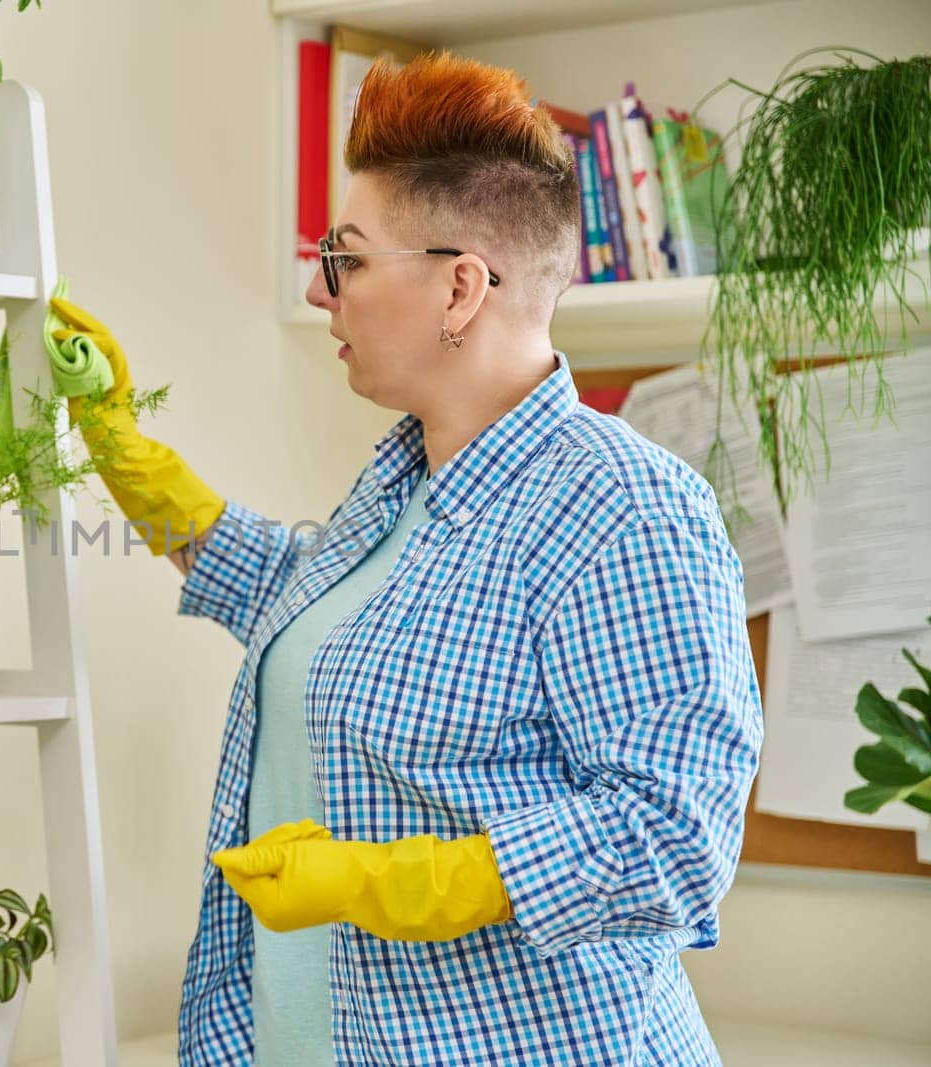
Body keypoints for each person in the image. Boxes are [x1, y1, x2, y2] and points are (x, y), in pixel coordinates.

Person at [49, 49, 763, 1066]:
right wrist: (119, 442)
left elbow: (671, 838)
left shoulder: (625, 510)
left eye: (345, 257)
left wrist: (399, 880)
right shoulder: (401, 484)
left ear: (461, 287)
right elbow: (282, 594)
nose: (318, 287)